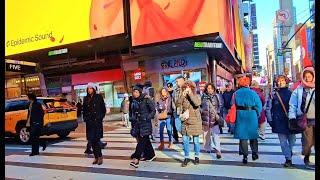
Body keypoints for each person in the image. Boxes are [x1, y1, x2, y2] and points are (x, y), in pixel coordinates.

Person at [288, 67, 315, 169]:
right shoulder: (298, 90)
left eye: (310, 76)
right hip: (305, 120)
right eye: (306, 76)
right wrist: (292, 117)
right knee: (308, 142)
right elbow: (293, 104)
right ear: (303, 77)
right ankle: (306, 158)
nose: (308, 78)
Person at [232, 75, 262, 164]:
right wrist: (257, 113)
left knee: (243, 136)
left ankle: (245, 156)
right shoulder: (253, 93)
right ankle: (254, 153)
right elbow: (259, 105)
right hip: (251, 114)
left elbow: (233, 105)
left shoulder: (236, 93)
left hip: (240, 114)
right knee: (253, 135)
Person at [266, 75, 295, 167]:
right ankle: (288, 158)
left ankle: (289, 153)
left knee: (292, 140)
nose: (280, 82)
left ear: (286, 82)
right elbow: (268, 108)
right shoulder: (273, 95)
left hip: (290, 120)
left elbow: (296, 106)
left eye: (282, 81)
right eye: (279, 81)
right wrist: (270, 120)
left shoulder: (292, 93)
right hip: (278, 121)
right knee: (283, 142)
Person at [129, 85, 156, 168]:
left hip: (145, 124)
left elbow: (153, 111)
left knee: (141, 141)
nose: (135, 93)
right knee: (145, 140)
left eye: (136, 92)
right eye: (134, 92)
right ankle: (151, 155)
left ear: (140, 92)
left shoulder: (146, 99)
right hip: (137, 124)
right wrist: (131, 119)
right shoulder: (133, 101)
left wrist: (147, 117)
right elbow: (131, 112)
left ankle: (136, 158)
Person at [177, 80, 202, 167]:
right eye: (185, 87)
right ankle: (186, 157)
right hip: (185, 121)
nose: (186, 89)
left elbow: (197, 103)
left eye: (188, 87)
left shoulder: (196, 95)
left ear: (192, 88)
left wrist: (190, 93)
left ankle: (196, 156)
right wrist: (182, 96)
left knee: (196, 141)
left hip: (195, 121)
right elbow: (177, 105)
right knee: (185, 140)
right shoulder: (183, 95)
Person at [83, 82, 106, 165]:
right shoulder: (85, 98)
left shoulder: (98, 97)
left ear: (94, 89)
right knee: (91, 141)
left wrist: (100, 117)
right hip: (89, 123)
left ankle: (100, 157)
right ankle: (96, 157)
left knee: (97, 141)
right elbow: (84, 110)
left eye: (91, 88)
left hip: (97, 122)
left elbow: (103, 108)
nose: (89, 90)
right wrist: (85, 118)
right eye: (88, 88)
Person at [201, 83, 222, 159]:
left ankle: (218, 150)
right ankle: (207, 148)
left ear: (213, 89)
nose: (209, 89)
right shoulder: (203, 96)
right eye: (208, 88)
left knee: (216, 135)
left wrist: (218, 115)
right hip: (205, 119)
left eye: (211, 88)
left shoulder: (217, 96)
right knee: (206, 136)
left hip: (214, 119)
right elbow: (200, 107)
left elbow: (220, 106)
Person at [173, 76, 185, 143]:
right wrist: (175, 109)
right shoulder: (175, 90)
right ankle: (186, 136)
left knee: (185, 127)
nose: (176, 83)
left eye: (177, 81)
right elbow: (173, 100)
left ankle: (185, 141)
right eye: (176, 81)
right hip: (177, 112)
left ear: (182, 81)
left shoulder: (187, 89)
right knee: (178, 127)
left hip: (185, 112)